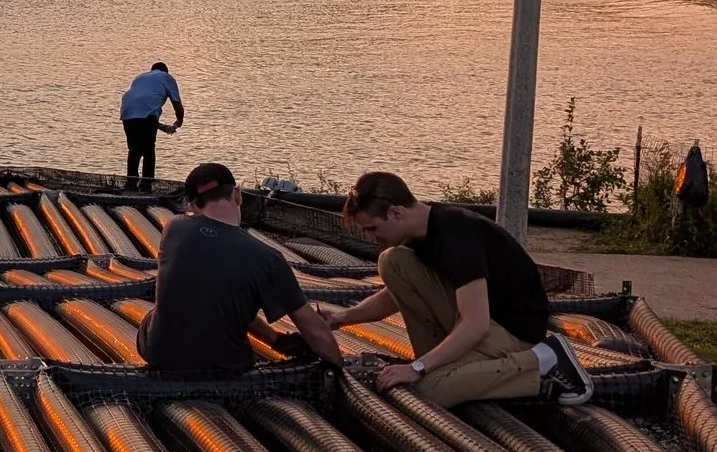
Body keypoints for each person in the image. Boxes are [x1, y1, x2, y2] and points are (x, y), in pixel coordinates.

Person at [324, 171, 593, 408]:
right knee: (392, 262)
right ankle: (446, 362)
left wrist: (418, 368)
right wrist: (341, 318)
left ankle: (545, 360)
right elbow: (394, 295)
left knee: (429, 389)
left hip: (512, 331)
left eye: (373, 228)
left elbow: (476, 325)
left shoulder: (456, 238)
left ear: (396, 212)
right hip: (483, 320)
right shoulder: (420, 232)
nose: (371, 237)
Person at [140, 163, 344, 376]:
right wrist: (341, 371)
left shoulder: (173, 228)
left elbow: (215, 295)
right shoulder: (268, 259)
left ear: (193, 206)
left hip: (160, 355)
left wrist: (276, 341)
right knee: (234, 296)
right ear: (237, 194)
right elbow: (315, 332)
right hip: (227, 366)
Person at [119, 62, 184, 190]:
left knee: (134, 150)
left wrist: (159, 125)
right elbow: (177, 103)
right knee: (148, 150)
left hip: (127, 112)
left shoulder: (140, 78)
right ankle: (146, 185)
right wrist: (179, 120)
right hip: (145, 115)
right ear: (165, 71)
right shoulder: (166, 77)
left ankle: (131, 183)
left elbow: (141, 111)